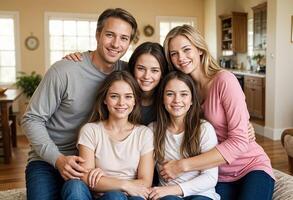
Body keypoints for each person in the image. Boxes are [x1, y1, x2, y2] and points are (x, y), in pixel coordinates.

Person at [21, 8, 137, 200]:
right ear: (98, 34)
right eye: (110, 35)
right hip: (49, 159)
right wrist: (58, 159)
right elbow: (31, 119)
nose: (116, 44)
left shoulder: (127, 73)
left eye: (124, 38)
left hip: (97, 161)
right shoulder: (64, 71)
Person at [161, 24, 275, 200]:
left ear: (199, 49)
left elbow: (240, 140)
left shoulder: (224, 80)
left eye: (186, 50)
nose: (181, 58)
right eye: (173, 54)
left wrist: (182, 166)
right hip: (216, 174)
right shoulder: (183, 91)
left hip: (251, 167)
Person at [77, 70, 154, 200]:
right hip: (103, 197)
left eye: (128, 96)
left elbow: (145, 182)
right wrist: (124, 185)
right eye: (114, 96)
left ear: (135, 101)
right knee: (112, 196)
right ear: (105, 100)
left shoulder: (144, 133)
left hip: (134, 196)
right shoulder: (90, 130)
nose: (121, 103)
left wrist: (105, 181)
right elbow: (85, 177)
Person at [148, 71, 220, 200]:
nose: (177, 100)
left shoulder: (204, 129)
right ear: (162, 99)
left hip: (202, 194)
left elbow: (210, 178)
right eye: (170, 94)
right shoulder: (153, 130)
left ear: (192, 100)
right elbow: (143, 169)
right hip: (168, 196)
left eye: (184, 94)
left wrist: (174, 189)